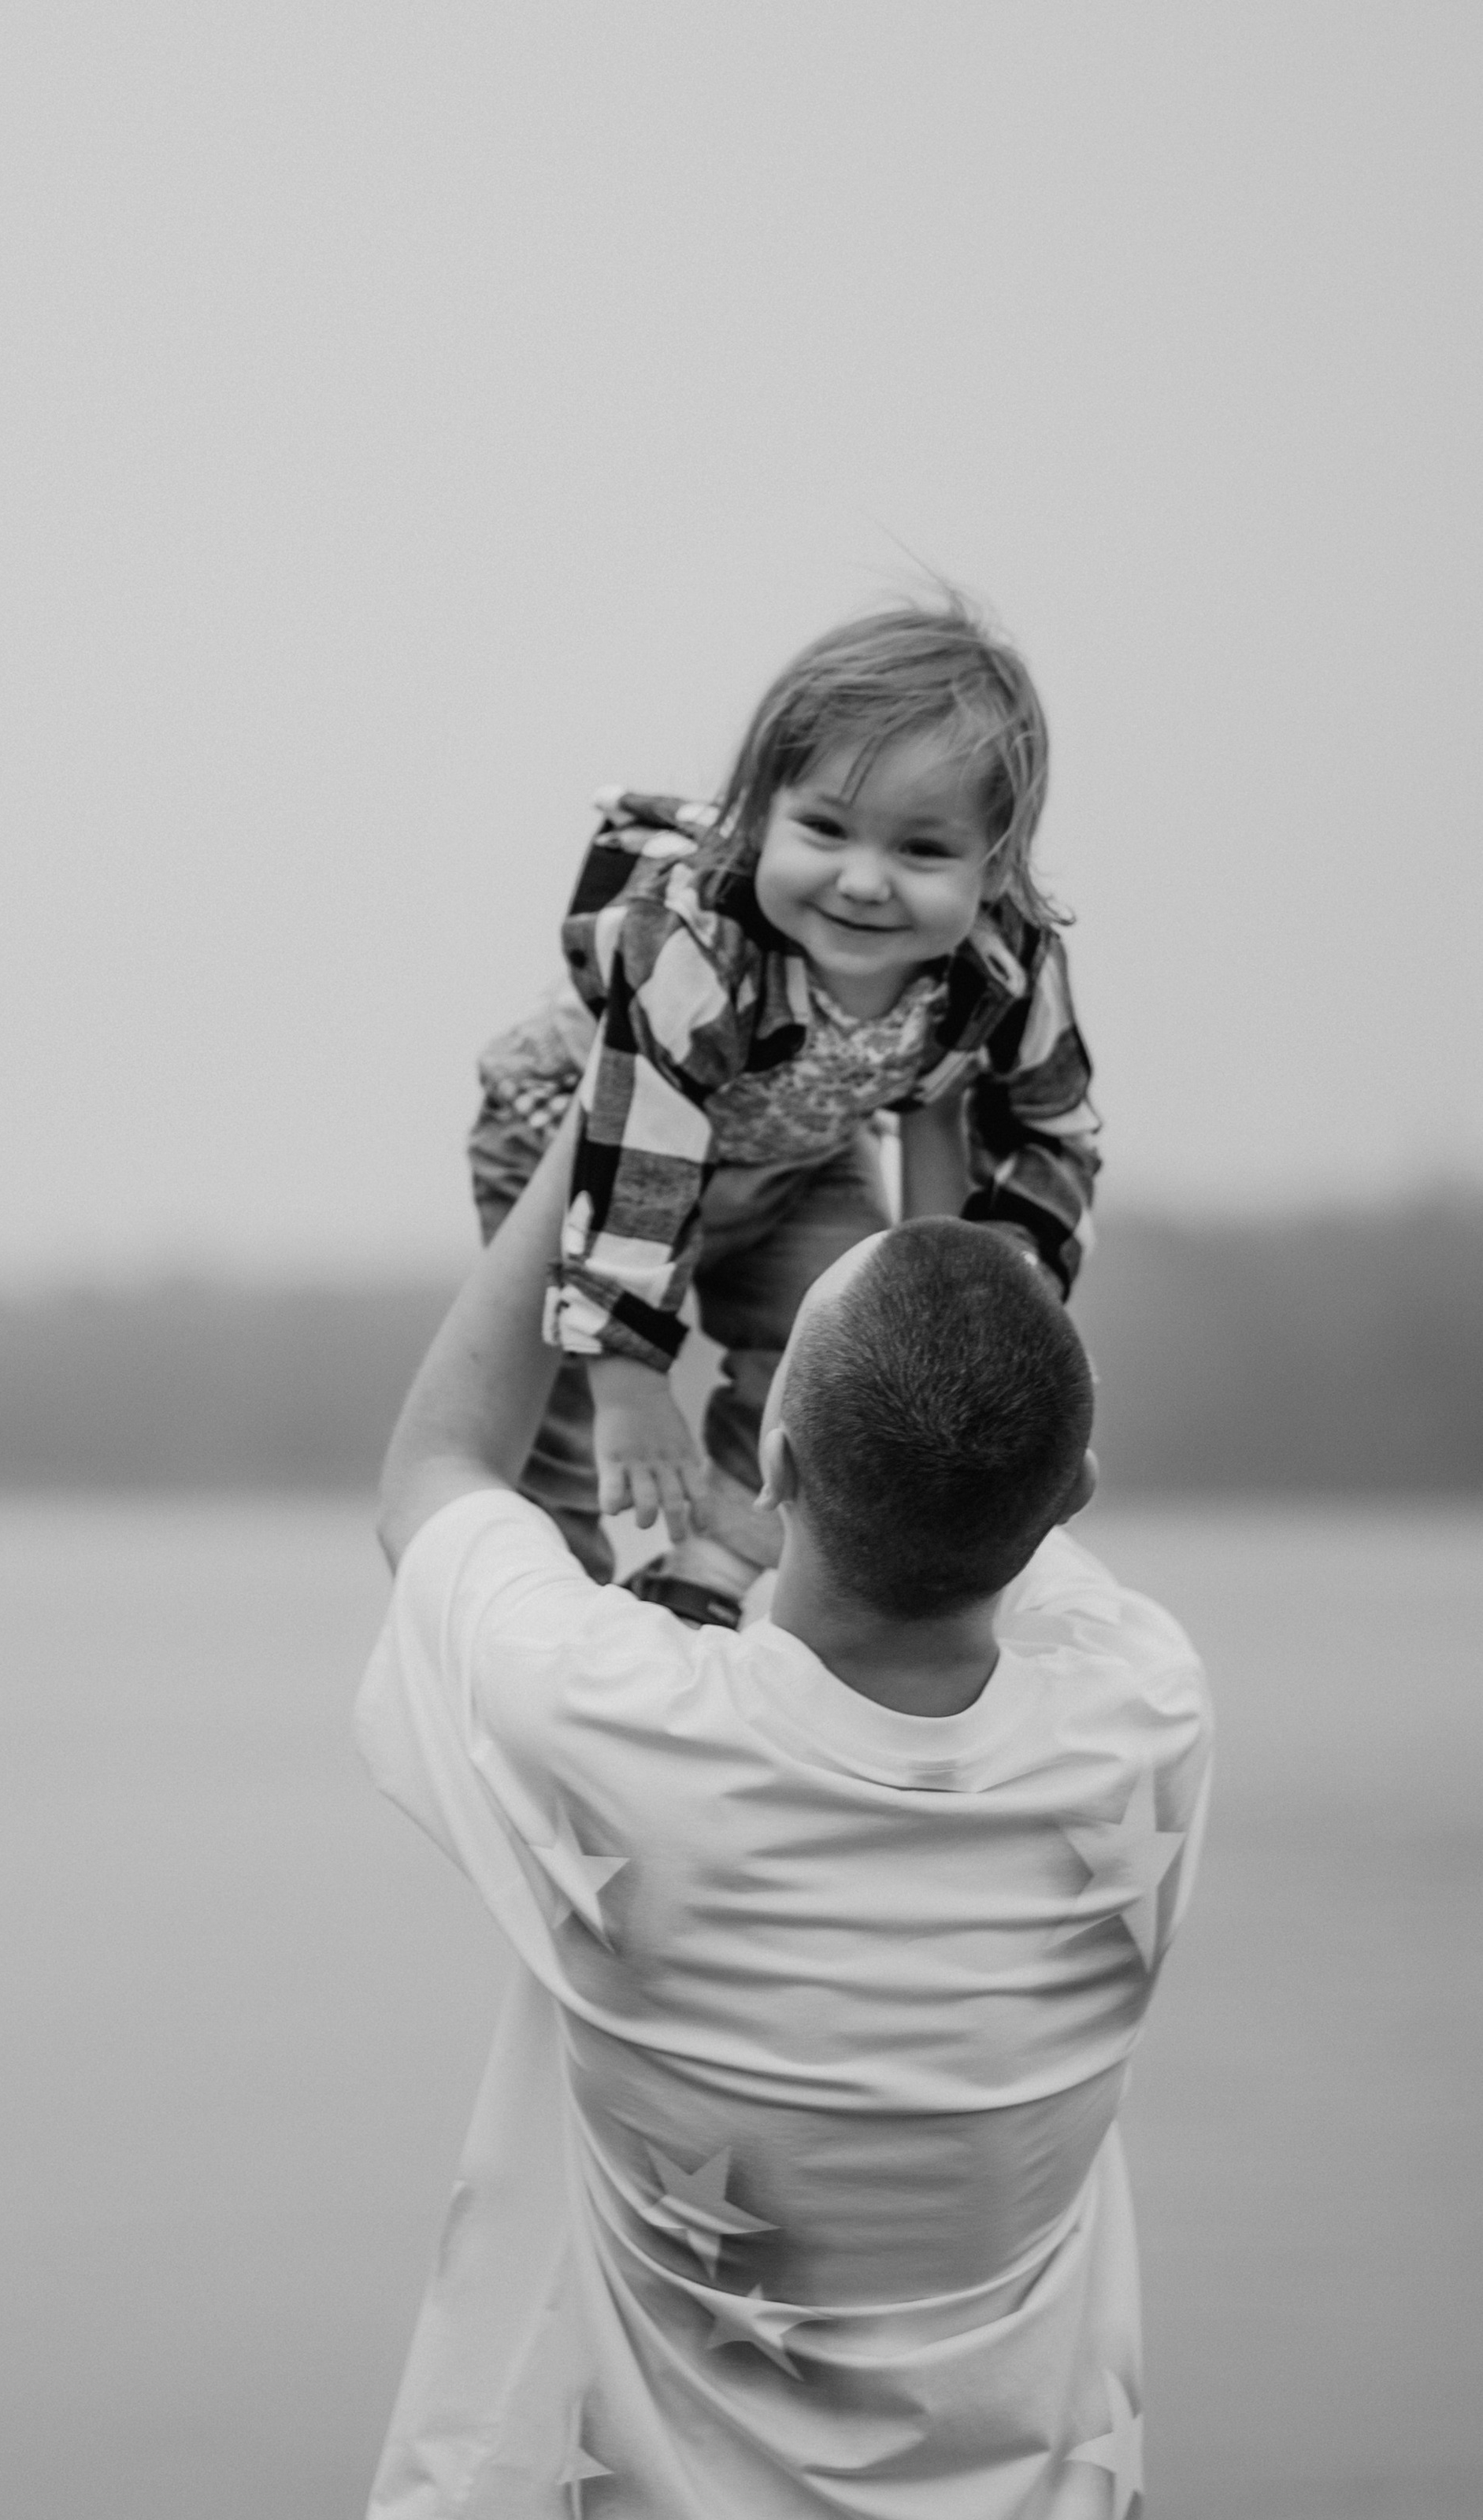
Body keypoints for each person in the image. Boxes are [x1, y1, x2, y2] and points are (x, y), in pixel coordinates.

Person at [358, 1115, 1210, 2518]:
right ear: (1075, 1496)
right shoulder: (1147, 1718)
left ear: (776, 1468)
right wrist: (938, 1109)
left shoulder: (611, 1718)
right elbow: (986, 1396)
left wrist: (621, 1111)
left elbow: (436, 1472)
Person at [468, 597, 1100, 1627]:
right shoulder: (701, 944)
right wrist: (630, 1380)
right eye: (824, 829)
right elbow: (642, 1147)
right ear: (762, 814)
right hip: (576, 1149)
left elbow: (1047, 1132)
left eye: (923, 850)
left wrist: (1001, 1335)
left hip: (792, 1158)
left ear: (994, 867)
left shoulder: (1002, 964)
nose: (862, 880)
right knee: (575, 1417)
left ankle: (711, 1575)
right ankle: (554, 1607)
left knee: (834, 1357)